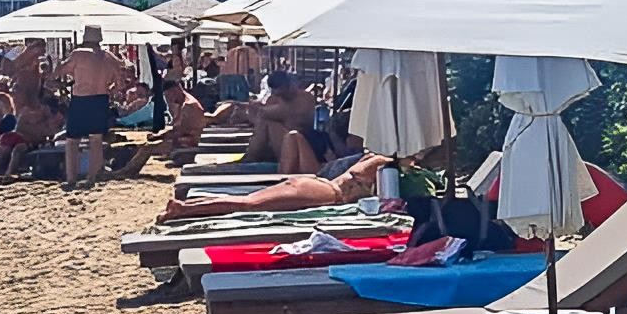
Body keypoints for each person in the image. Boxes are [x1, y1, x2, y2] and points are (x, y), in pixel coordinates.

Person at [156, 146, 399, 225]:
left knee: (248, 200)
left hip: (317, 184)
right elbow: (361, 182)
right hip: (327, 192)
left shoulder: (372, 155)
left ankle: (185, 206)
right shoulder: (384, 163)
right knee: (248, 204)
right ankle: (184, 209)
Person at [57, 26, 138, 188]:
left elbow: (59, 71)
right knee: (96, 139)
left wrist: (62, 71)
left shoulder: (79, 54)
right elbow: (120, 83)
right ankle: (92, 177)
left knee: (72, 140)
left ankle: (71, 178)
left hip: (81, 99)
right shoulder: (109, 57)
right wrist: (109, 89)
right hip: (101, 99)